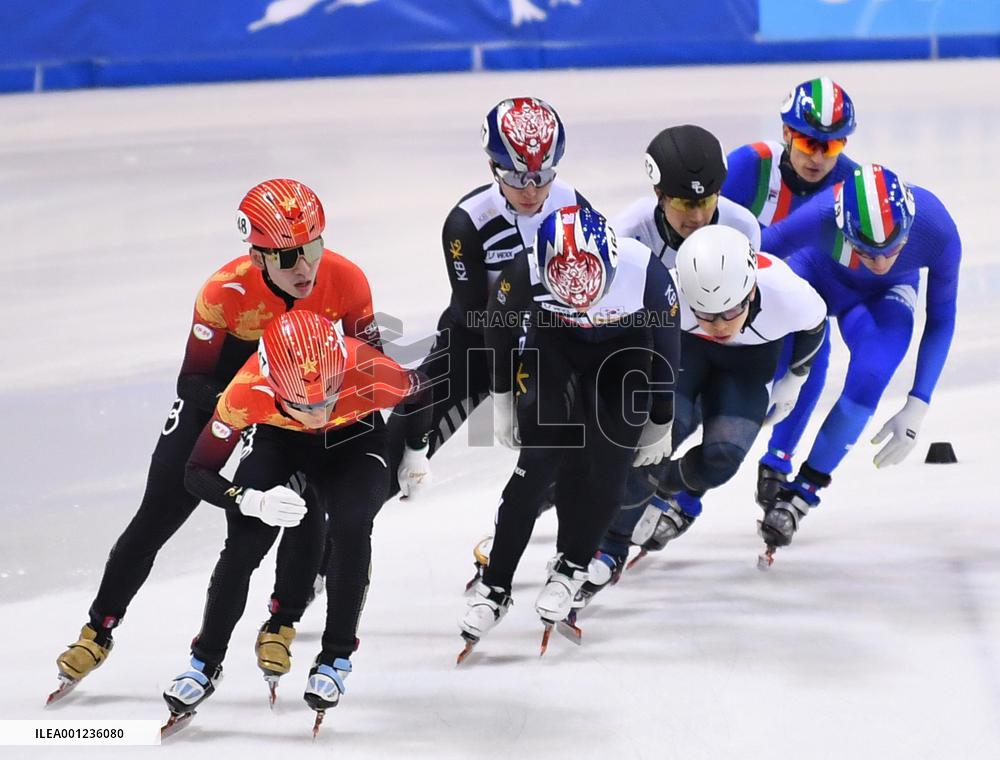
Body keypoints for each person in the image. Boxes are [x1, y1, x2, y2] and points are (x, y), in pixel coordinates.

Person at [51, 179, 388, 702]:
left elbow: (368, 370)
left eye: (314, 248)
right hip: (228, 397)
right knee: (161, 510)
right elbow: (192, 382)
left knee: (307, 499)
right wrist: (254, 407)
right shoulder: (224, 292)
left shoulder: (345, 280)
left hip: (299, 403)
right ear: (256, 255)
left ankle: (281, 622)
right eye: (288, 257)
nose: (306, 269)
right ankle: (98, 628)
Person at [162, 311, 431, 728]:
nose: (318, 413)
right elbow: (196, 472)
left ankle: (337, 656)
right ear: (273, 386)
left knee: (351, 524)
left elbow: (421, 392)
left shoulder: (369, 368)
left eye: (327, 396)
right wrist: (246, 499)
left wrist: (415, 450)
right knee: (245, 543)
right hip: (280, 442)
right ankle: (204, 662)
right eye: (304, 404)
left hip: (356, 441)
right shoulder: (246, 391)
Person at [457, 204, 680, 657]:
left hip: (626, 347)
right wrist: (502, 398)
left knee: (611, 465)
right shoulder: (524, 271)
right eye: (571, 297)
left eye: (591, 295)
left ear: (611, 264)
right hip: (555, 347)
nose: (583, 305)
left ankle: (572, 566)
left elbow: (669, 346)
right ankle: (495, 587)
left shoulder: (646, 273)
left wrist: (662, 415)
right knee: (536, 464)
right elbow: (498, 333)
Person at [580, 225, 826, 597]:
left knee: (722, 459)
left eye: (730, 311)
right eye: (705, 314)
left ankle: (662, 487)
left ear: (752, 290)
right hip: (685, 354)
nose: (720, 326)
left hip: (747, 368)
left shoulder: (787, 294)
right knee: (655, 438)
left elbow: (814, 327)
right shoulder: (667, 290)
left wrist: (796, 377)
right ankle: (612, 546)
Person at [384, 97, 587, 496]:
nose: (530, 190)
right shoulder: (467, 222)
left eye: (542, 176)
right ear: (492, 167)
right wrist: (501, 390)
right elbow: (477, 314)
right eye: (515, 178)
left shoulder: (573, 206)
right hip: (477, 339)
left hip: (549, 342)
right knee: (392, 448)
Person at [756, 164, 961, 553]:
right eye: (867, 250)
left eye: (894, 248)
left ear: (911, 226)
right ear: (842, 226)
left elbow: (941, 319)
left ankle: (802, 493)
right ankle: (771, 459)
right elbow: (754, 258)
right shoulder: (820, 213)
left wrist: (918, 401)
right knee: (781, 361)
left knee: (873, 372)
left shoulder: (937, 228)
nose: (881, 261)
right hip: (816, 274)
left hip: (884, 297)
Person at [721, 77, 863, 510]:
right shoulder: (750, 165)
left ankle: (777, 461)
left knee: (817, 345)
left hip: (796, 304)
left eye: (832, 145)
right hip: (731, 300)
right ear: (785, 133)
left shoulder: (852, 184)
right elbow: (710, 244)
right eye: (807, 140)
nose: (818, 155)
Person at [615, 124, 760, 267]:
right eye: (684, 204)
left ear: (718, 193)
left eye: (706, 201)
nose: (697, 217)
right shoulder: (627, 236)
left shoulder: (742, 229)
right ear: (659, 194)